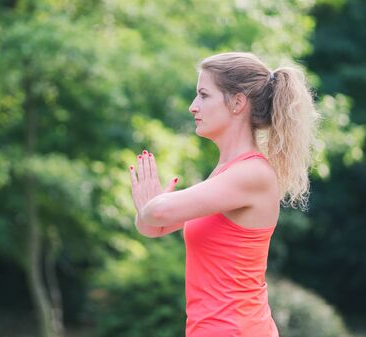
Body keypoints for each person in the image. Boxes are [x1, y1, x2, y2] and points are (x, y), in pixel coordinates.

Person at [128, 52, 320, 337]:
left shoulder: (251, 174)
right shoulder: (225, 174)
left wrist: (153, 207)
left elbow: (158, 213)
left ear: (237, 102)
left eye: (204, 95)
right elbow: (153, 226)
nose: (193, 107)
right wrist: (150, 210)